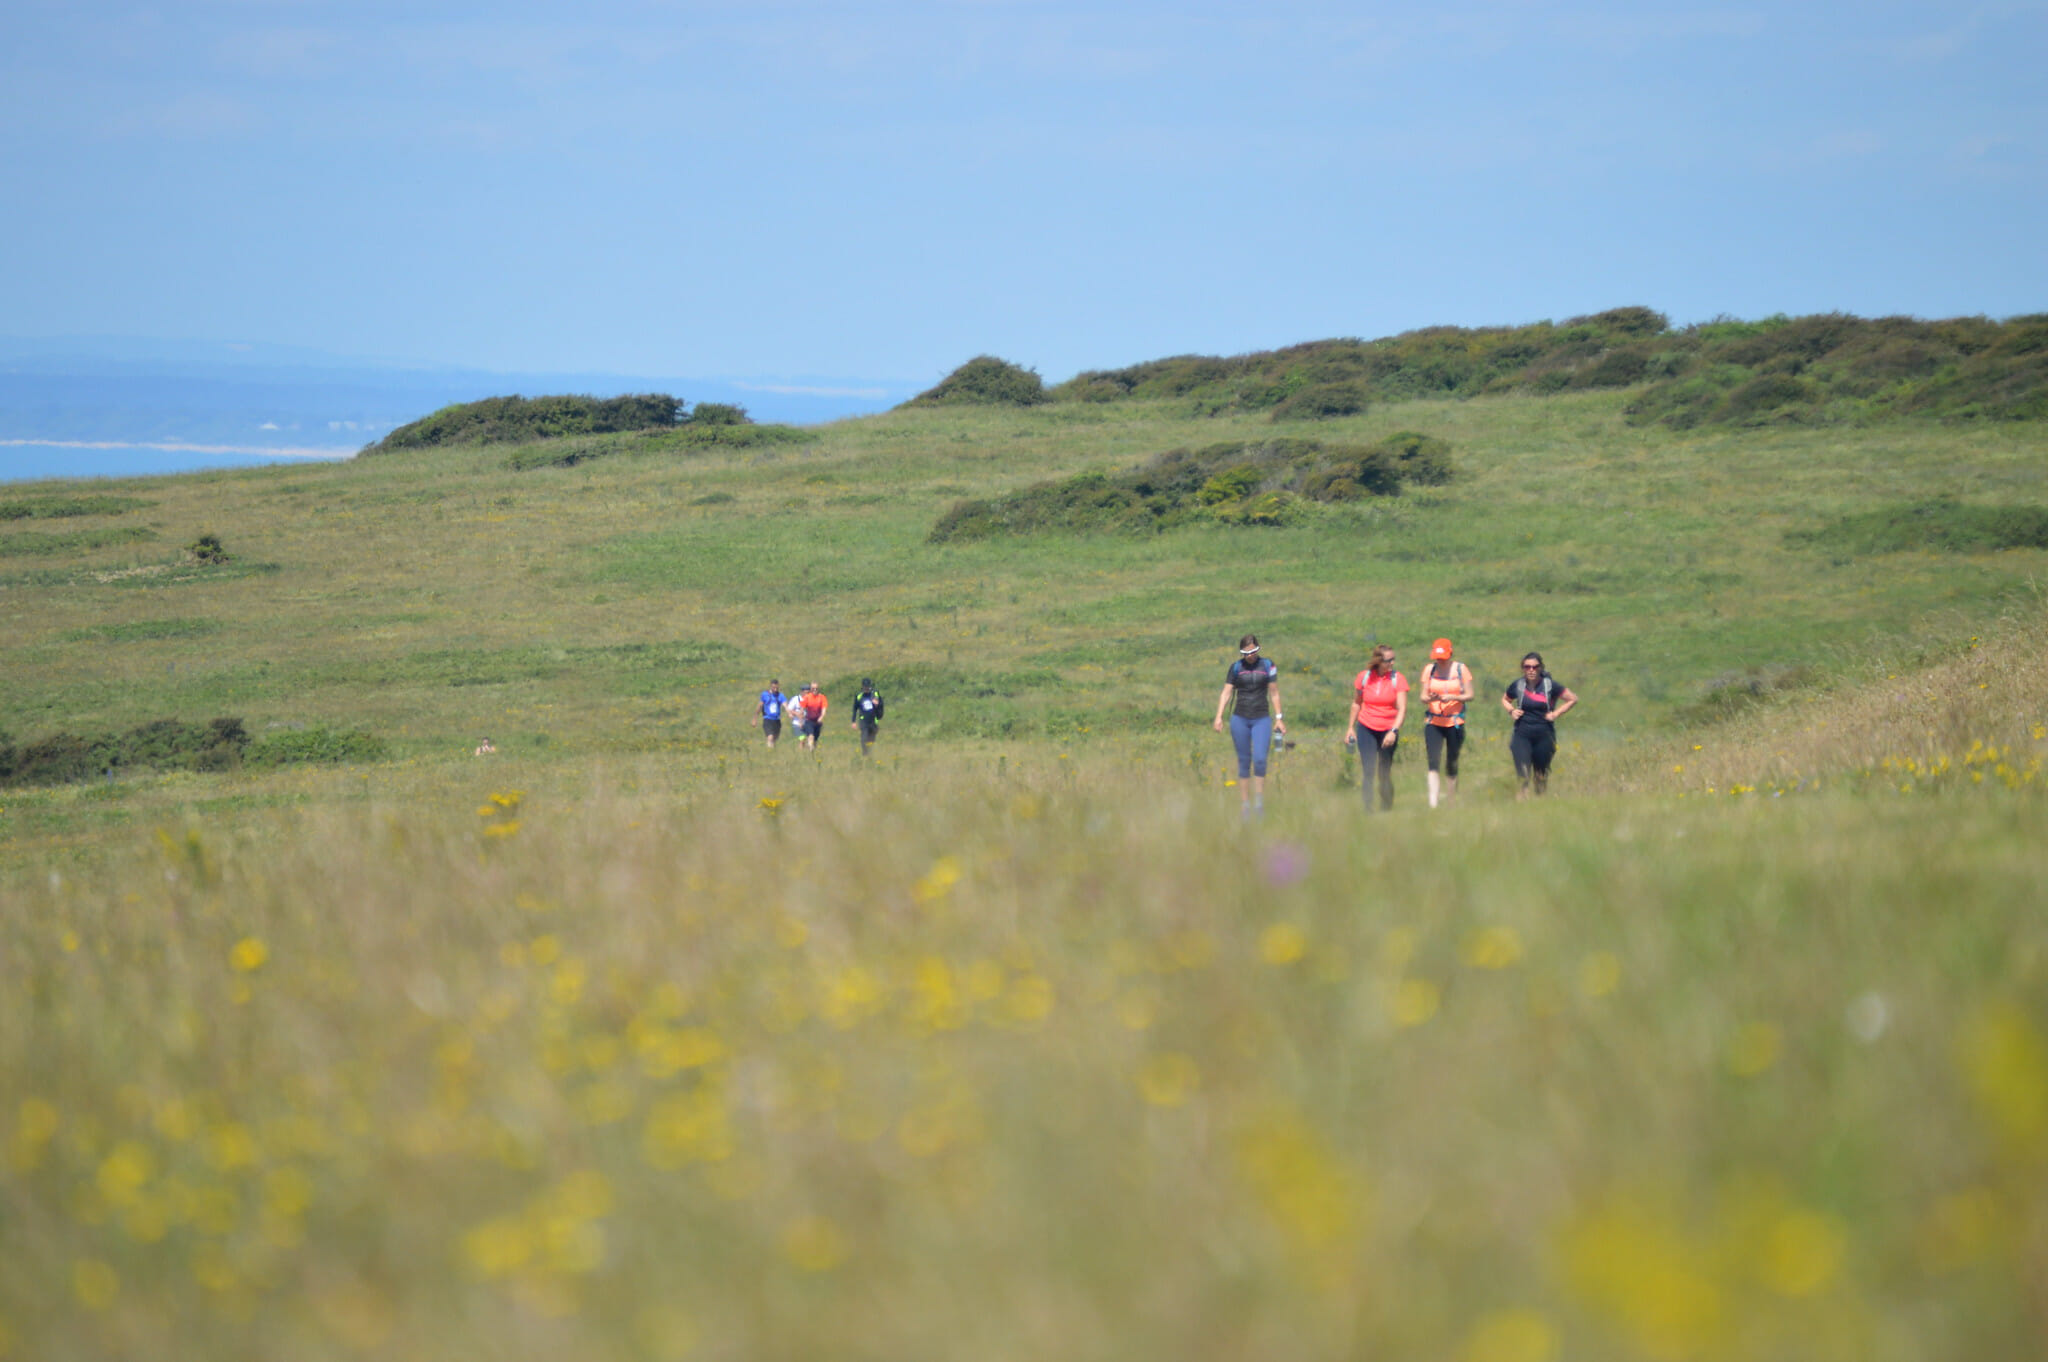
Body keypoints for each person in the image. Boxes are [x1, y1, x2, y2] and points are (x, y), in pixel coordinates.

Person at [1212, 635, 1285, 818]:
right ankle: (1245, 805)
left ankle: (1259, 802)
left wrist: (1279, 718)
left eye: (1253, 651)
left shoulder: (1268, 665)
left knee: (1260, 759)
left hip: (1261, 718)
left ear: (1258, 649)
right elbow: (1226, 692)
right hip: (1240, 718)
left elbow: (1274, 693)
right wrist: (1219, 716)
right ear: (1241, 653)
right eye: (1246, 653)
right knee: (1244, 761)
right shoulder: (1236, 668)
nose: (1250, 656)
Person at [1502, 652, 1578, 798]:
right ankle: (1521, 808)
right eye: (1527, 667)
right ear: (1523, 668)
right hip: (1522, 734)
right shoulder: (1518, 685)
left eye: (1535, 667)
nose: (1531, 670)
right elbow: (1505, 699)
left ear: (1540, 668)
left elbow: (1572, 699)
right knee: (1522, 774)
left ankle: (1539, 805)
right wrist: (1511, 711)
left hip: (1544, 735)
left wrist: (1555, 714)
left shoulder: (1550, 685)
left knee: (1540, 775)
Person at [1346, 643, 1407, 812]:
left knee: (1384, 772)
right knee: (1368, 770)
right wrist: (1350, 727)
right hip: (1366, 727)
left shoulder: (1398, 679)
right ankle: (1368, 811)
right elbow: (1356, 703)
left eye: (1393, 659)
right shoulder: (1364, 677)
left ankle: (1386, 809)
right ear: (1378, 661)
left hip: (1388, 729)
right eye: (1388, 660)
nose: (1392, 663)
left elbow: (1402, 708)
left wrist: (1393, 731)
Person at [1419, 638, 1474, 808]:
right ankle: (1433, 803)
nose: (1439, 660)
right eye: (1437, 657)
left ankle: (1451, 800)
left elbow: (1470, 695)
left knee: (1452, 761)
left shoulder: (1460, 669)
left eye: (1442, 657)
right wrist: (1430, 698)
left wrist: (1453, 697)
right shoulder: (1429, 670)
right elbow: (1422, 697)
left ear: (1450, 654)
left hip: (1454, 722)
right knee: (1433, 761)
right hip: (1433, 722)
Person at [851, 678, 885, 755]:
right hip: (864, 721)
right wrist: (853, 721)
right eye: (865, 687)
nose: (866, 688)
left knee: (871, 740)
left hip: (873, 720)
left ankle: (869, 752)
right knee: (864, 739)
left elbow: (881, 704)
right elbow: (855, 709)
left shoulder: (875, 694)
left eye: (867, 687)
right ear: (862, 687)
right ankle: (865, 754)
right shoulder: (859, 696)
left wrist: (877, 703)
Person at [795, 682, 828, 751]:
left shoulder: (822, 697)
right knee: (811, 736)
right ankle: (810, 749)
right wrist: (800, 722)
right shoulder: (807, 697)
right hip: (809, 720)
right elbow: (801, 710)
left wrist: (821, 717)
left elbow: (824, 710)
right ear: (811, 689)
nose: (815, 690)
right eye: (813, 689)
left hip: (818, 722)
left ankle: (813, 752)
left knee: (815, 740)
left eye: (816, 688)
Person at [758, 679, 788, 749]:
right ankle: (769, 751)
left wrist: (789, 713)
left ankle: (772, 750)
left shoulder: (780, 695)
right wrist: (755, 718)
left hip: (777, 720)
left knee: (775, 738)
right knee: (770, 737)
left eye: (776, 688)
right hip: (767, 719)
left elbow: (786, 705)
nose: (775, 689)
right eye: (773, 687)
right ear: (770, 686)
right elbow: (759, 706)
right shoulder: (765, 694)